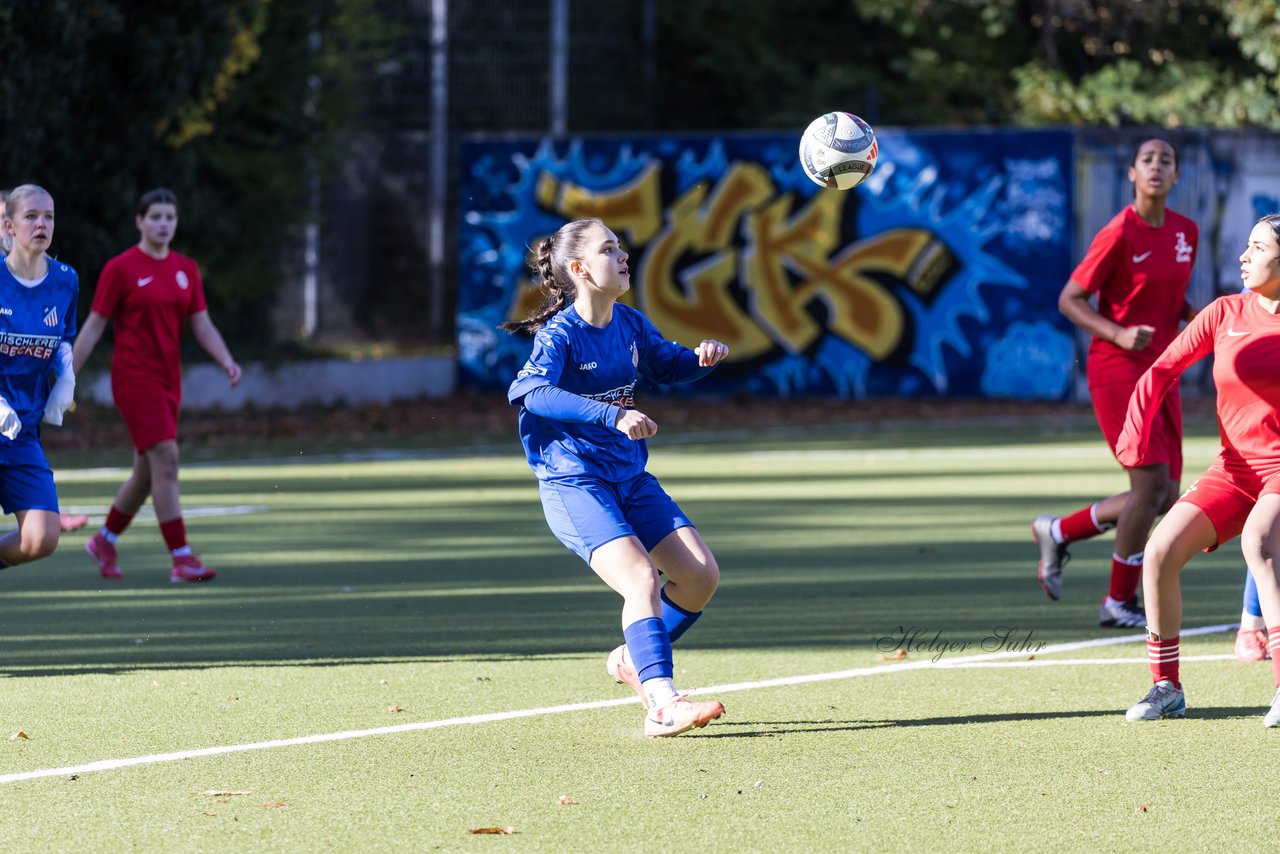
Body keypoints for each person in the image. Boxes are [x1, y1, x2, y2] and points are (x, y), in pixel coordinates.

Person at [502, 218, 728, 737]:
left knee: (699, 576)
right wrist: (613, 415)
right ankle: (662, 702)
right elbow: (529, 392)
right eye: (609, 249)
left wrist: (701, 359)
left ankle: (635, 658)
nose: (623, 255)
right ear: (579, 269)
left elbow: (668, 364)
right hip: (574, 482)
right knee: (640, 579)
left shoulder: (627, 324)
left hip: (628, 477)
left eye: (620, 246)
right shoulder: (560, 335)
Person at [1116, 213, 1280, 726]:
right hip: (1234, 469)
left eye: (1257, 247)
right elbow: (1161, 369)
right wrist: (1134, 432)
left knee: (1260, 542)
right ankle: (1167, 687)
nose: (1243, 256)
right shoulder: (1225, 311)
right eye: (1246, 245)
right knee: (1160, 550)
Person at [1032, 137, 1198, 629]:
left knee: (1166, 493)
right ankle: (1118, 602)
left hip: (1162, 369)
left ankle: (1059, 531)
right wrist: (1119, 332)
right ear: (1131, 173)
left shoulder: (1184, 231)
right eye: (1147, 160)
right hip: (1118, 369)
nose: (1156, 167)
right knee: (1148, 485)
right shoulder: (1118, 232)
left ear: (1176, 177)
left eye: (1165, 161)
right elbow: (1070, 299)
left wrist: (1198, 316)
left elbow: (1172, 301)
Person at [73, 188, 242, 584]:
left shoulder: (186, 269)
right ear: (139, 221)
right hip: (133, 378)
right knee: (167, 458)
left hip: (170, 381)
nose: (164, 224)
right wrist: (68, 377)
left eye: (170, 217)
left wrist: (226, 360)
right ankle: (182, 558)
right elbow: (95, 324)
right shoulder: (121, 268)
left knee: (147, 473)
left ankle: (104, 541)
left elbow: (201, 322)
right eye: (156, 217)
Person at [0, 184, 79, 573]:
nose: (41, 224)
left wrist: (67, 377)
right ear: (8, 225)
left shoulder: (66, 280)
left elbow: (64, 339)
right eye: (31, 216)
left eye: (48, 216)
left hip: (22, 432)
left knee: (41, 538)